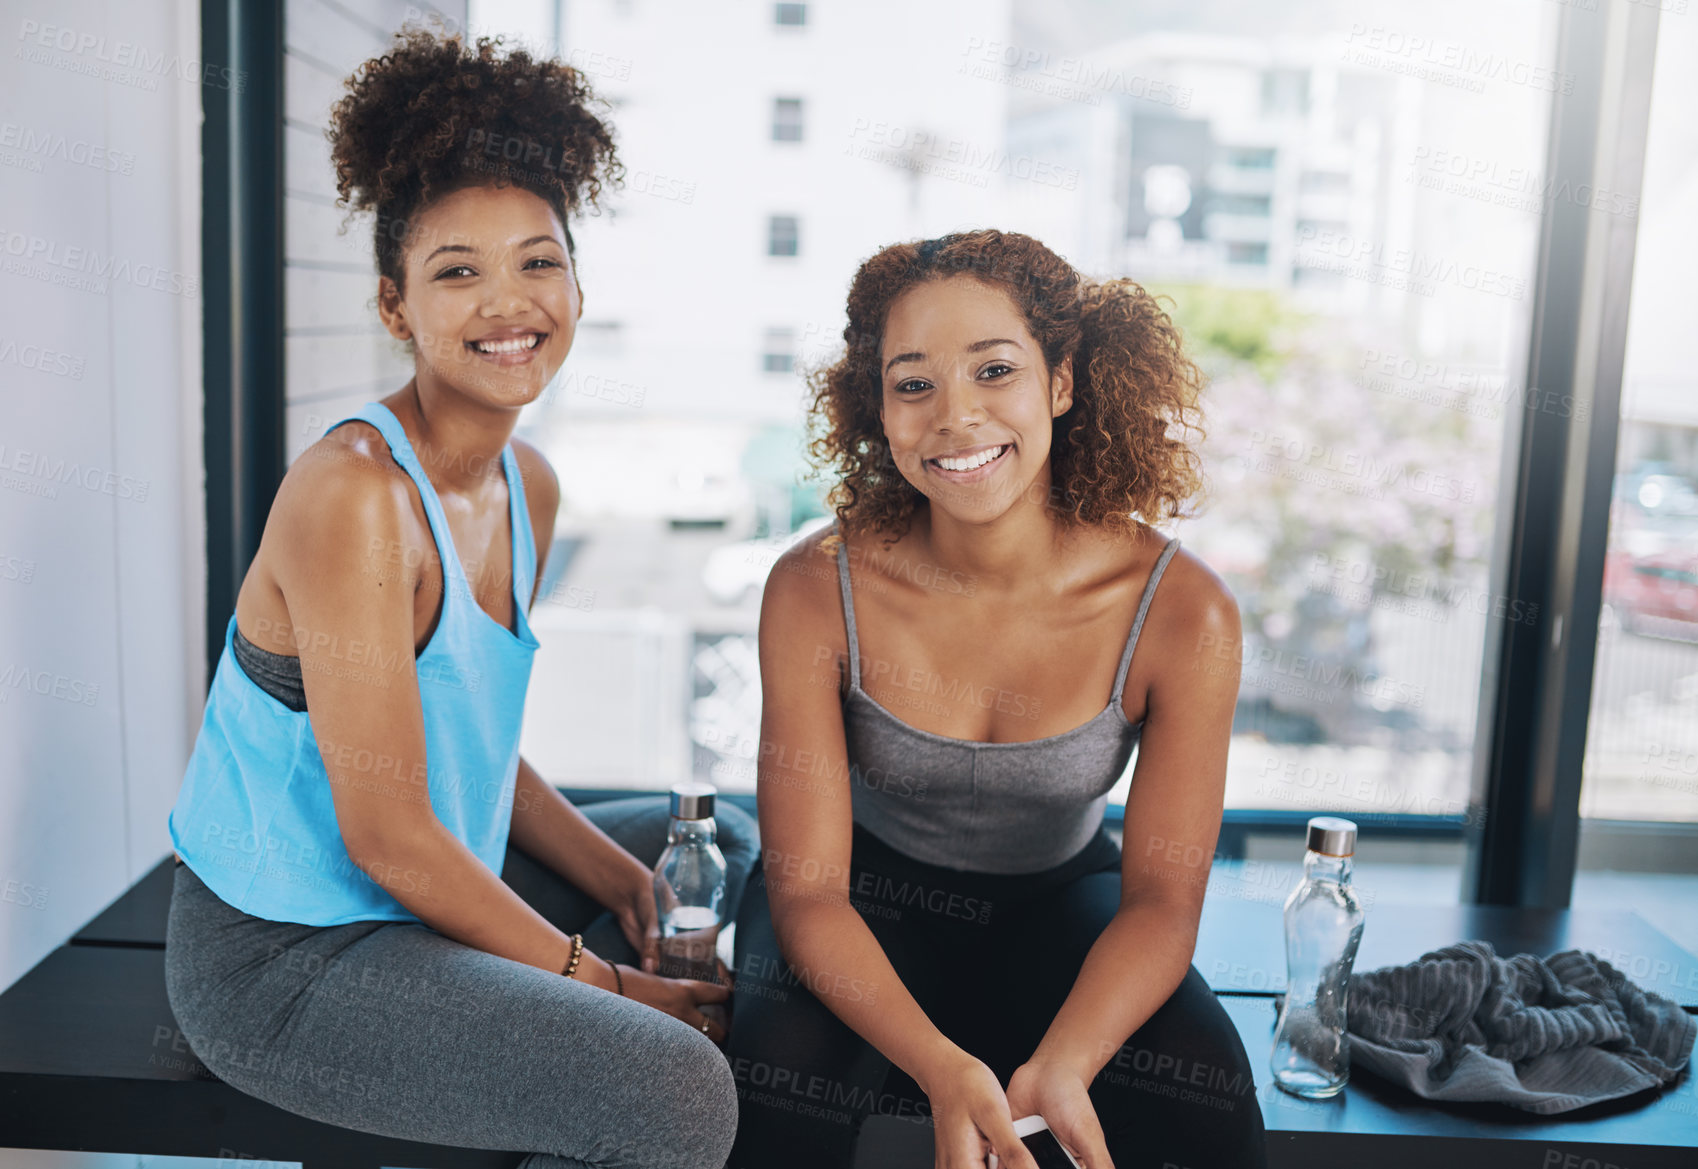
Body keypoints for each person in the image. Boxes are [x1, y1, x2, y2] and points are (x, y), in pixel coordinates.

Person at [163, 28, 755, 1169]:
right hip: (291, 957)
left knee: (712, 840)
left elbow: (467, 748)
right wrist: (612, 983)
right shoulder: (353, 496)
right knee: (678, 1093)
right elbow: (386, 832)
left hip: (436, 872)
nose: (508, 302)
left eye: (538, 261)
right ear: (395, 307)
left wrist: (629, 887)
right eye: (456, 272)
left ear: (578, 284)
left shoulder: (526, 481)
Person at [723, 230, 1268, 1169]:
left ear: (1061, 381)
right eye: (914, 383)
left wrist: (1065, 1063)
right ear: (876, 407)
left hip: (1058, 900)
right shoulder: (816, 585)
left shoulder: (1184, 610)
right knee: (781, 1065)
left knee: (1201, 1076)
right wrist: (941, 1068)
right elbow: (808, 889)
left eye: (994, 370)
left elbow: (1163, 903)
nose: (955, 417)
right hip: (856, 896)